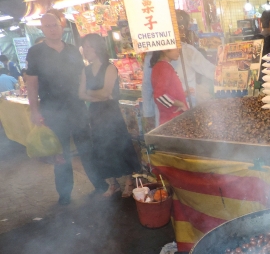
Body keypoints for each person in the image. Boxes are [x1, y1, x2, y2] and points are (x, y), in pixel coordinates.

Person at [26, 13, 106, 205]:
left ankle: (100, 185)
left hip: (77, 107)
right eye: (47, 26)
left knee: (87, 149)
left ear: (61, 27)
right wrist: (35, 111)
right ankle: (65, 194)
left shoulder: (72, 50)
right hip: (52, 110)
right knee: (60, 154)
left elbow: (82, 77)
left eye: (55, 25)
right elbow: (31, 84)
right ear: (42, 29)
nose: (52, 29)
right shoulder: (35, 52)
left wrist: (92, 95)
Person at [78, 33, 141, 197]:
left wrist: (93, 94)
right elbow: (81, 94)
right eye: (83, 47)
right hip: (95, 113)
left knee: (120, 145)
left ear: (96, 48)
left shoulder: (110, 67)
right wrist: (99, 95)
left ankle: (129, 182)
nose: (84, 50)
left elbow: (106, 92)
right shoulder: (85, 70)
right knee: (102, 147)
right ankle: (113, 184)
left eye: (87, 46)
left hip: (111, 113)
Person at [172, 10, 215, 105]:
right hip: (186, 105)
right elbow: (210, 71)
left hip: (167, 110)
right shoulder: (187, 51)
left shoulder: (154, 53)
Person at [150, 48, 188, 125]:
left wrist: (183, 94)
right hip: (172, 119)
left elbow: (168, 92)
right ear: (164, 50)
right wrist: (181, 104)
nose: (179, 51)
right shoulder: (163, 67)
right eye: (176, 48)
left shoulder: (164, 66)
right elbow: (160, 95)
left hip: (174, 119)